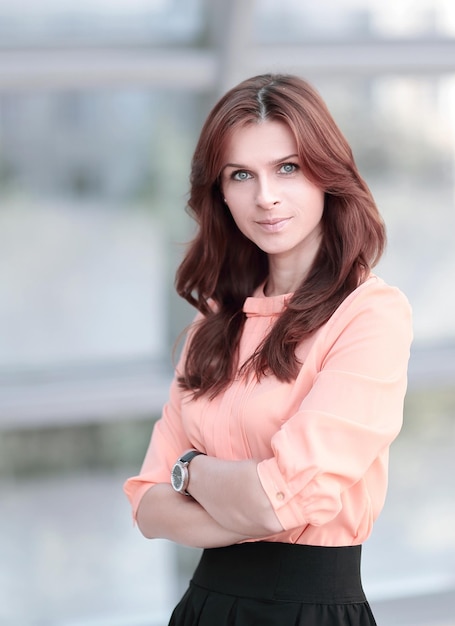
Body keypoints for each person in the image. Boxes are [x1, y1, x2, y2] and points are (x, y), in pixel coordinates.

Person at [124, 73, 413, 626]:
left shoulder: (369, 315)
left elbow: (280, 499)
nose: (266, 196)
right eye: (241, 175)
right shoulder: (213, 324)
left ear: (327, 174)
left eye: (288, 167)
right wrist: (255, 499)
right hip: (204, 608)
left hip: (308, 610)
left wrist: (189, 470)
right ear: (221, 193)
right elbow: (147, 504)